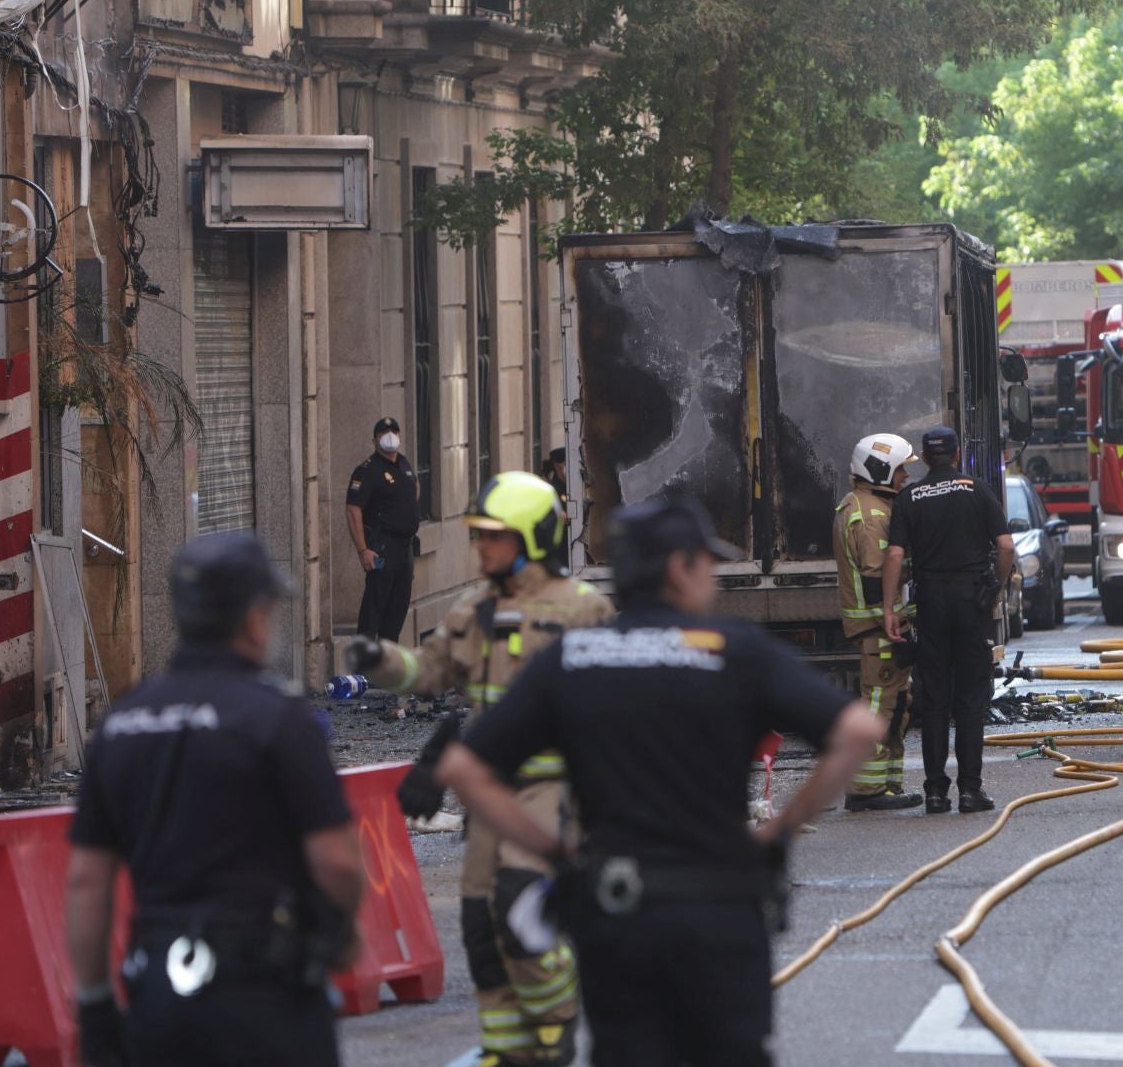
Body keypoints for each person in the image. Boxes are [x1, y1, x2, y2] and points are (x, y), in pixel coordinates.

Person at [436, 499, 884, 1067]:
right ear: (678, 569)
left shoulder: (573, 657)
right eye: (705, 563)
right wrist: (781, 834)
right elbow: (859, 731)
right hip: (719, 908)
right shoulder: (734, 651)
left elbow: (463, 769)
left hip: (616, 910)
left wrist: (556, 850)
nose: (711, 577)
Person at [65, 533, 363, 1067]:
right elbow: (336, 861)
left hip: (158, 986)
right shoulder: (279, 718)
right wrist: (337, 933)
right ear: (253, 619)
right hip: (266, 994)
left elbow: (87, 882)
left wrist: (94, 1007)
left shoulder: (123, 723)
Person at [343, 471, 611, 1067]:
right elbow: (430, 673)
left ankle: (556, 1022)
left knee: (522, 914)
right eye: (478, 535)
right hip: (486, 798)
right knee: (483, 927)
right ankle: (507, 1047)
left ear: (532, 537)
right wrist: (380, 661)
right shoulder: (475, 609)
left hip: (552, 794)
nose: (482, 547)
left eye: (495, 535)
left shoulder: (584, 612)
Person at [881, 426, 1016, 813]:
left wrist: (890, 608)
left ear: (924, 457)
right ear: (957, 455)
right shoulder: (977, 489)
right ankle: (971, 791)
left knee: (935, 698)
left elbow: (893, 557)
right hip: (972, 600)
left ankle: (936, 793)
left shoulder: (910, 496)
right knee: (971, 700)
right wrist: (996, 587)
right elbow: (1005, 546)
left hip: (932, 601)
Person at [834, 432, 923, 811]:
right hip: (879, 631)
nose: (905, 477)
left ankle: (884, 787)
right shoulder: (871, 516)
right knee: (880, 708)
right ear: (881, 470)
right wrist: (901, 618)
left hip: (879, 630)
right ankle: (866, 790)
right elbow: (876, 580)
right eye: (901, 470)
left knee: (895, 705)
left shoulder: (866, 505)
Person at [346, 416, 422, 643]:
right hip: (382, 549)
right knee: (374, 608)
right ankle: (364, 670)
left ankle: (387, 668)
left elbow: (414, 488)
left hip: (404, 549)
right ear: (374, 440)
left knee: (397, 609)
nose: (389, 437)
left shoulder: (403, 464)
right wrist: (363, 550)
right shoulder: (367, 471)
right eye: (383, 433)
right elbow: (353, 510)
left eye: (393, 432)